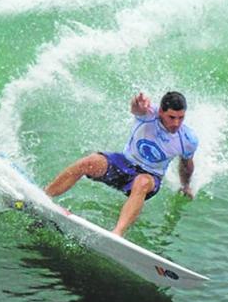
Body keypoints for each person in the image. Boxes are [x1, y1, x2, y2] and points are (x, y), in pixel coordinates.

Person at [44, 91, 198, 237]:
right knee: (89, 161)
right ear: (161, 112)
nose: (176, 123)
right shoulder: (148, 114)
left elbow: (186, 165)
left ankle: (117, 234)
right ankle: (43, 197)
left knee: (142, 181)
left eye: (181, 118)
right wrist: (137, 102)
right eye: (172, 117)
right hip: (123, 163)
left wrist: (185, 186)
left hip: (151, 177)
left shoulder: (187, 139)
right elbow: (135, 108)